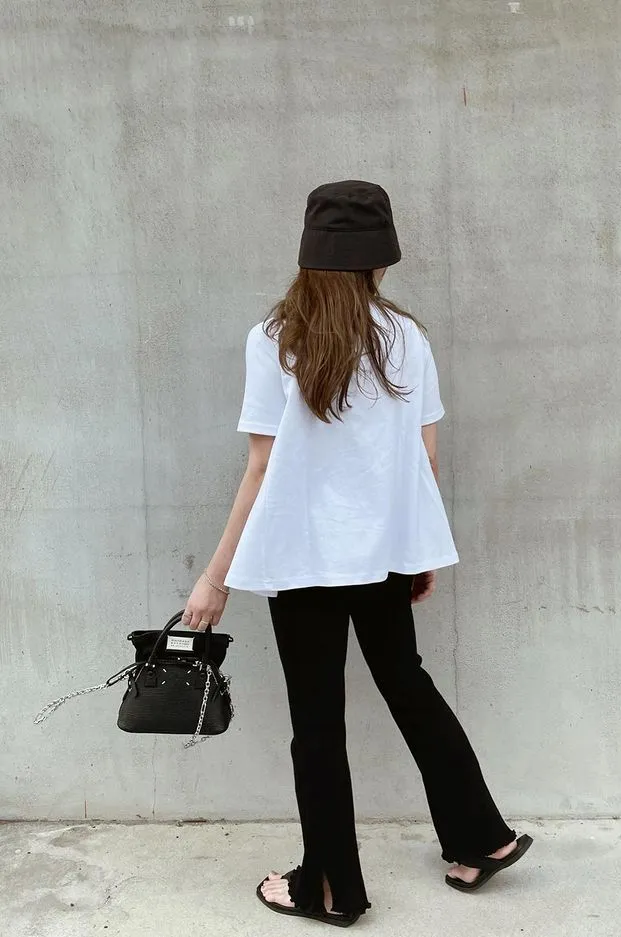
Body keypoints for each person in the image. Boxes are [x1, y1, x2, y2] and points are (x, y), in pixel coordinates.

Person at [182, 180, 533, 926]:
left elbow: (261, 467)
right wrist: (417, 552)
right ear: (382, 259)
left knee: (318, 722)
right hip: (382, 558)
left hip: (303, 561)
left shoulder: (274, 338)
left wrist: (215, 578)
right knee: (407, 684)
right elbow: (422, 460)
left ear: (309, 252)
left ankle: (332, 886)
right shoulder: (406, 337)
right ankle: (482, 836)